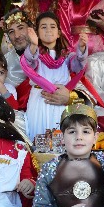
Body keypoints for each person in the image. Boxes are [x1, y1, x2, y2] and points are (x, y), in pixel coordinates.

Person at [21, 11, 88, 140]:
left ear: (58, 33)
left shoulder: (66, 55)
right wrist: (33, 45)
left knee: (61, 137)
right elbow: (29, 63)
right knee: (40, 137)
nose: (48, 30)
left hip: (61, 100)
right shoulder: (35, 54)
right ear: (37, 33)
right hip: (40, 100)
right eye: (43, 27)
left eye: (52, 26)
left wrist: (82, 48)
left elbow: (78, 66)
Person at [3, 9, 32, 109]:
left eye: (20, 28)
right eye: (11, 32)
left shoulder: (48, 57)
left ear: (31, 28)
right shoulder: (3, 63)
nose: (17, 35)